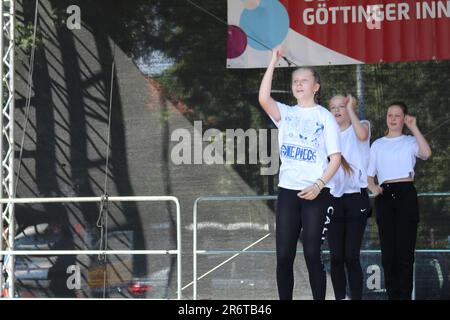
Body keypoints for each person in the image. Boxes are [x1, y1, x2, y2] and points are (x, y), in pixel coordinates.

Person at [258, 48, 341, 300]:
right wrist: (272, 61)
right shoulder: (287, 113)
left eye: (304, 80)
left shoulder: (325, 117)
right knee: (284, 255)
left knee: (312, 254)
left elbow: (336, 159)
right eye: (295, 81)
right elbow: (263, 98)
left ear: (316, 86)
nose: (298, 84)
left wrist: (319, 184)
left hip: (316, 192)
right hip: (288, 192)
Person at [367, 102, 432, 300]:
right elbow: (369, 176)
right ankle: (392, 295)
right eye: (390, 115)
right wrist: (374, 188)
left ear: (404, 118)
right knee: (389, 253)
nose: (393, 118)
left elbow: (426, 154)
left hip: (406, 193)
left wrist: (414, 127)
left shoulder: (411, 141)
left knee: (405, 252)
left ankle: (404, 296)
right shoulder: (378, 144)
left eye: (397, 115)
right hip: (385, 195)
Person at [327, 94, 371, 300]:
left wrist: (352, 108)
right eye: (333, 107)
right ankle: (339, 297)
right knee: (336, 257)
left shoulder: (361, 125)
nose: (337, 110)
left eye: (342, 106)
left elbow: (362, 136)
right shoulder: (327, 134)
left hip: (356, 199)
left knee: (351, 256)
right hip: (333, 199)